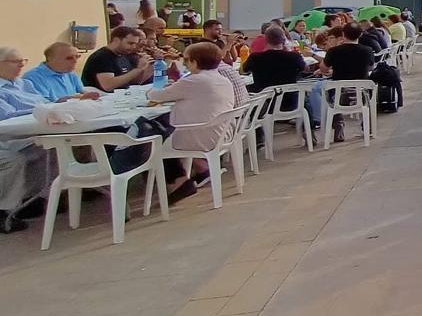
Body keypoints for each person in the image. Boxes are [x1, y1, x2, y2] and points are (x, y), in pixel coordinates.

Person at [147, 42, 236, 204]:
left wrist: (149, 92)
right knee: (165, 131)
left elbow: (158, 96)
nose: (185, 64)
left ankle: (177, 182)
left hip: (202, 135)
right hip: (222, 132)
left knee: (154, 142)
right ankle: (192, 174)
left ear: (194, 62)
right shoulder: (221, 79)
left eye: (186, 60)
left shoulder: (193, 80)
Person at [0, 47, 52, 232]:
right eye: (15, 61)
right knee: (13, 159)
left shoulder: (24, 84)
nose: (21, 65)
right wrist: (42, 111)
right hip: (6, 139)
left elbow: (45, 101)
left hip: (20, 136)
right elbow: (6, 116)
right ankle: (3, 210)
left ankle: (33, 199)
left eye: (23, 60)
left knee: (48, 148)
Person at [82, 26, 152, 91]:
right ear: (116, 40)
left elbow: (134, 82)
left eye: (135, 44)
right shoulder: (102, 57)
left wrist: (147, 67)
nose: (134, 47)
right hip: (102, 98)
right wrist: (138, 70)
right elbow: (108, 85)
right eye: (130, 43)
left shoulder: (122, 55)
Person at [24, 42, 100, 102]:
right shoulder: (33, 77)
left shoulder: (70, 74)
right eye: (69, 58)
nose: (75, 61)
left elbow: (82, 93)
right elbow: (43, 105)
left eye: (77, 56)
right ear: (51, 59)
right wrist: (74, 98)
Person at [242, 25, 307, 94]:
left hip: (263, 101)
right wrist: (288, 50)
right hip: (290, 100)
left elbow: (244, 70)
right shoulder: (294, 57)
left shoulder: (255, 57)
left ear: (266, 39)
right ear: (284, 39)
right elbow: (305, 69)